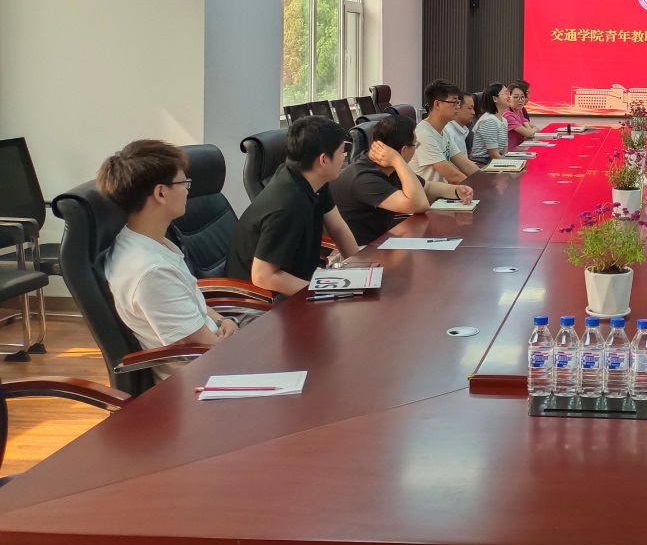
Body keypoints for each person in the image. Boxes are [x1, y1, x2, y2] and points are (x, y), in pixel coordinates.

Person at [97, 140, 237, 378]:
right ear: (161, 193)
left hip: (215, 359)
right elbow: (207, 350)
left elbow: (190, 302)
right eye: (183, 183)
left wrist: (225, 320)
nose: (187, 190)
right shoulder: (152, 272)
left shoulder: (141, 240)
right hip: (203, 382)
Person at [227, 116, 359, 296]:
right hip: (259, 299)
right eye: (342, 152)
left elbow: (338, 228)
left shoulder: (313, 181)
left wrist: (361, 268)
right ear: (323, 160)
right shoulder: (287, 205)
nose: (344, 157)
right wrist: (324, 293)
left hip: (296, 281)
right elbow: (263, 276)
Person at [330, 115, 475, 245]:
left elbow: (426, 187)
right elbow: (419, 205)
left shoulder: (388, 166)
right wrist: (398, 160)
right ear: (404, 150)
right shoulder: (365, 177)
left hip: (384, 239)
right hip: (363, 249)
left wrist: (456, 191)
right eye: (416, 145)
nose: (416, 148)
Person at [409, 79, 479, 183]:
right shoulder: (424, 134)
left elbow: (465, 165)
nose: (458, 107)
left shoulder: (443, 130)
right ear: (437, 104)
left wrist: (487, 181)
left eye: (458, 102)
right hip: (428, 193)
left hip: (443, 190)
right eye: (454, 102)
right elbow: (453, 176)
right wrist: (481, 186)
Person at [471, 82, 511, 165]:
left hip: (495, 161)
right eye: (505, 93)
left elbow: (505, 151)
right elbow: (494, 155)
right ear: (495, 99)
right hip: (483, 163)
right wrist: (510, 164)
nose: (509, 96)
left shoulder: (504, 120)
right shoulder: (489, 121)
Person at [446, 91, 476, 158]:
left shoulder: (463, 129)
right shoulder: (449, 133)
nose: (473, 112)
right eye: (470, 108)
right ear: (457, 107)